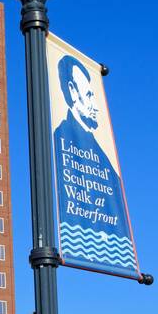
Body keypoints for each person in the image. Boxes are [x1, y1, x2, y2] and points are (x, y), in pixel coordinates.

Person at [52, 54, 131, 266]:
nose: (96, 106)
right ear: (72, 91)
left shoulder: (100, 153)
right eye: (89, 95)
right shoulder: (60, 136)